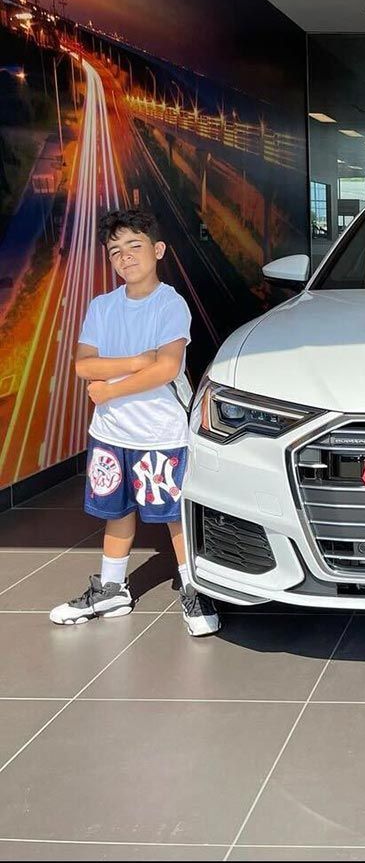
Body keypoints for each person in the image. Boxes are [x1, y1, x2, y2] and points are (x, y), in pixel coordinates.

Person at [49, 208, 220, 636]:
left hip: (160, 432)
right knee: (117, 511)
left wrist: (110, 388)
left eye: (134, 246)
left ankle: (194, 588)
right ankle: (111, 588)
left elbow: (166, 368)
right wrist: (135, 361)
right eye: (115, 251)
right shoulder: (102, 306)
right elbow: (83, 365)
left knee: (173, 514)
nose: (125, 257)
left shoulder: (170, 304)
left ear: (157, 250)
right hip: (110, 434)